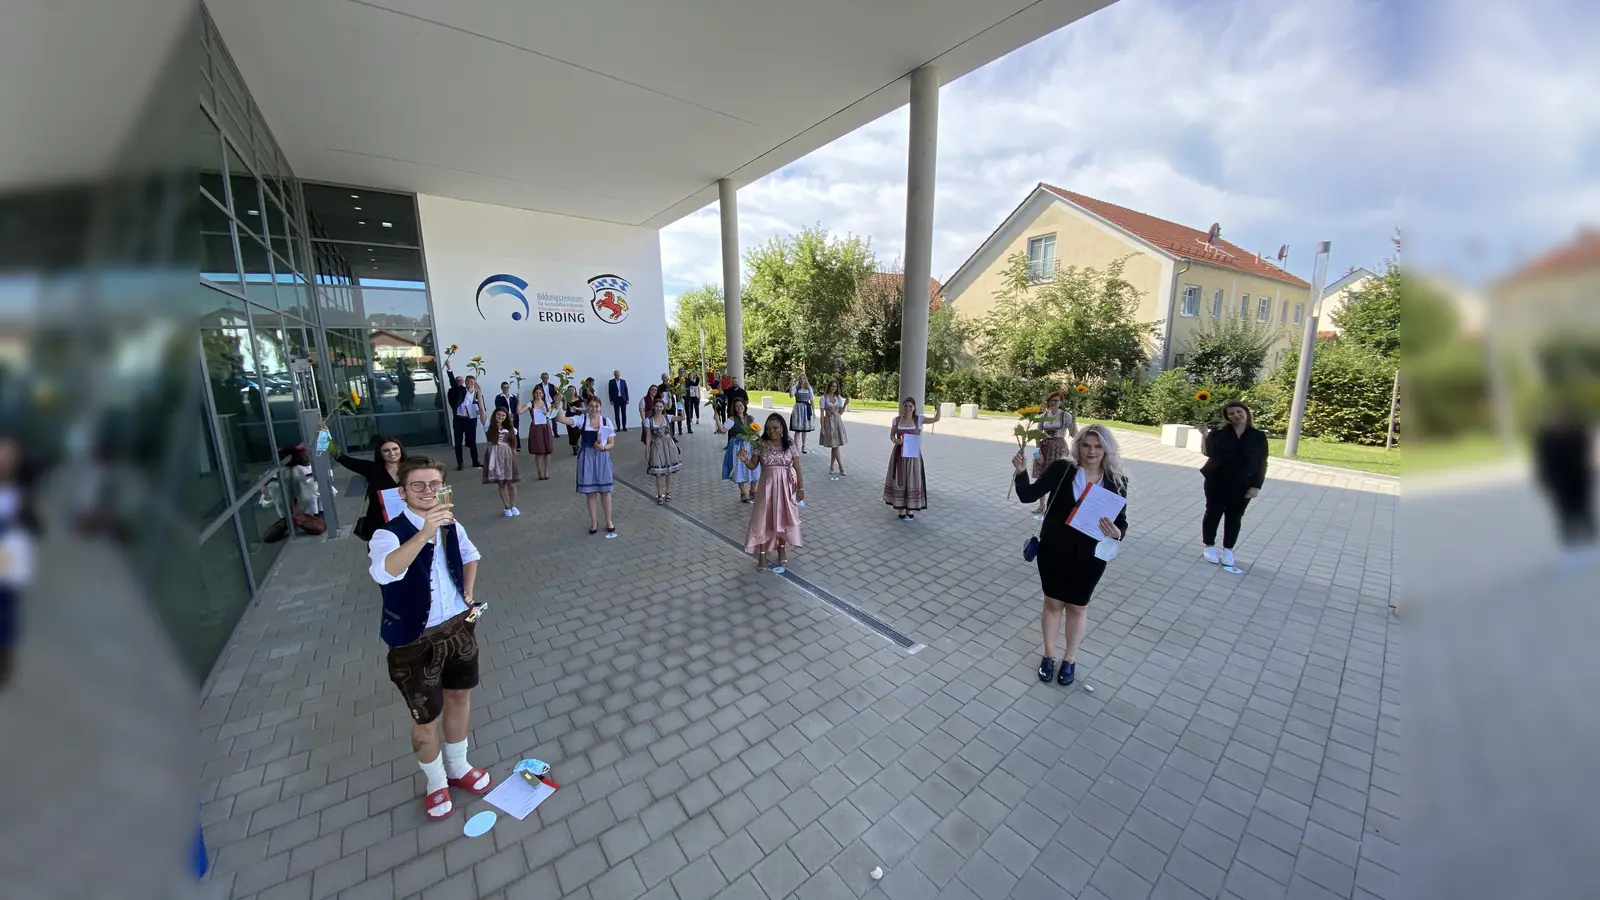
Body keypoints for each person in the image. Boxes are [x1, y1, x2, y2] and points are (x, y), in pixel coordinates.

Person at [366, 456, 492, 822]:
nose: (427, 492)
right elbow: (384, 572)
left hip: (457, 629)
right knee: (424, 717)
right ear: (402, 491)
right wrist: (423, 534)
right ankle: (435, 783)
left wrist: (467, 594)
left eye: (434, 484)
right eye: (418, 485)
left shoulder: (452, 525)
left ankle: (458, 766)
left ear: (443, 487)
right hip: (414, 642)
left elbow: (471, 555)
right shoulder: (388, 533)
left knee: (459, 698)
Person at [1011, 425, 1129, 686]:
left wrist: (1117, 532)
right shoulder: (1063, 469)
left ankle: (1070, 659)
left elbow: (1121, 521)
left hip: (1091, 555)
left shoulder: (1117, 481)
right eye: (1086, 445)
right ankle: (1049, 655)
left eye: (1098, 446)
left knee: (1078, 606)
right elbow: (1027, 494)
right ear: (1078, 446)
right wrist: (1020, 471)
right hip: (1055, 549)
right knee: (1052, 603)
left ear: (1107, 449)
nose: (1092, 451)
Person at [1196, 400, 1268, 568]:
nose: (1236, 415)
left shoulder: (1258, 436)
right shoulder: (1220, 432)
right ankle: (1209, 546)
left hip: (1243, 485)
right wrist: (1205, 435)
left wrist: (1256, 486)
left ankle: (1228, 550)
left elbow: (1262, 463)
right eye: (1231, 413)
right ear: (1227, 417)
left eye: (1239, 412)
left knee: (1235, 517)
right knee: (1213, 513)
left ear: (1246, 412)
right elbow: (1209, 453)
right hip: (1217, 481)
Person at [739, 413, 805, 571]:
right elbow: (754, 466)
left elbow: (797, 467)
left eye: (775, 428)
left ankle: (781, 549)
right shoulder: (760, 444)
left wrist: (801, 487)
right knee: (762, 520)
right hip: (766, 489)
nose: (771, 431)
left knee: (782, 518)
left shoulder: (790, 444)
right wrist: (745, 460)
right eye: (768, 429)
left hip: (786, 488)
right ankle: (762, 554)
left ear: (782, 427)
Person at [1534, 402, 1595, 565]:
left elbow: (1584, 456)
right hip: (1558, 481)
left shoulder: (1579, 433)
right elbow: (1542, 461)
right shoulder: (1546, 437)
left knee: (1584, 512)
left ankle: (1589, 544)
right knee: (1564, 515)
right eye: (1558, 416)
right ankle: (1570, 548)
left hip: (1579, 479)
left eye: (1565, 416)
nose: (1562, 419)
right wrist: (1544, 482)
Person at [554, 395, 617, 534]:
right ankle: (593, 522)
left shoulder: (606, 421)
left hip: (602, 457)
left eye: (597, 406)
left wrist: (604, 448)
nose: (594, 409)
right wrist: (558, 404)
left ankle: (609, 520)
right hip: (587, 457)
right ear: (587, 407)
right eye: (591, 406)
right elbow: (561, 419)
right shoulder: (582, 419)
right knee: (590, 492)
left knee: (605, 491)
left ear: (600, 407)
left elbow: (612, 443)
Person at [335, 436, 406, 540]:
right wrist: (326, 439)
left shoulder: (411, 467)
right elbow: (343, 458)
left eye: (395, 449)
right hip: (379, 521)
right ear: (380, 453)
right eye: (386, 450)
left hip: (406, 517)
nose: (392, 453)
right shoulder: (372, 469)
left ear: (401, 449)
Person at [884, 396, 941, 519]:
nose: (908, 408)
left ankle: (910, 509)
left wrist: (939, 407)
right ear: (902, 407)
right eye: (906, 406)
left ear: (914, 408)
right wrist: (895, 440)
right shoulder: (896, 420)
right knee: (900, 479)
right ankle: (900, 508)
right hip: (899, 454)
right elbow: (891, 435)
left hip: (913, 454)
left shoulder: (919, 419)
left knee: (912, 478)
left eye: (910, 406)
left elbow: (936, 419)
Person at [1031, 392, 1077, 515]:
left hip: (1059, 448)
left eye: (1056, 401)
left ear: (1060, 402)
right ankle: (1041, 505)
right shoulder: (1043, 416)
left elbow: (1074, 434)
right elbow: (1037, 435)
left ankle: (1052, 506)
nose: (1053, 403)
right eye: (1051, 400)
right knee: (1042, 476)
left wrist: (1074, 422)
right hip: (1044, 446)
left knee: (1057, 477)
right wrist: (1037, 452)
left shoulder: (1065, 415)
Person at [481, 407, 522, 517]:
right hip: (494, 456)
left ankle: (513, 505)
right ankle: (506, 506)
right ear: (495, 415)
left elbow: (513, 444)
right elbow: (482, 410)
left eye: (503, 416)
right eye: (498, 415)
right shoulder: (488, 427)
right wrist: (479, 395)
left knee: (511, 483)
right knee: (501, 484)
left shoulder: (510, 428)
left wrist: (514, 456)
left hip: (507, 457)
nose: (501, 417)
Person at [644, 397, 683, 503]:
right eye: (657, 406)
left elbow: (681, 418)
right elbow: (648, 436)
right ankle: (660, 493)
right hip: (656, 446)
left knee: (668, 470)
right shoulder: (649, 420)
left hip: (668, 445)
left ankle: (668, 491)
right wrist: (647, 449)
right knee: (659, 472)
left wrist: (681, 406)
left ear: (663, 407)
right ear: (654, 407)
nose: (659, 408)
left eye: (661, 406)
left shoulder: (667, 417)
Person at [722, 398, 762, 502]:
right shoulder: (732, 419)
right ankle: (743, 492)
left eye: (741, 405)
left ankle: (753, 491)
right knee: (739, 469)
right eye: (737, 406)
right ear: (734, 408)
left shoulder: (751, 418)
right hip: (738, 447)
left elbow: (757, 431)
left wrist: (758, 440)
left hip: (751, 446)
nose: (740, 408)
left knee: (755, 468)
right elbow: (722, 430)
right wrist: (717, 419)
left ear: (744, 406)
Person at [445, 369, 483, 470]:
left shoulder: (476, 393)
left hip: (471, 420)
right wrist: (449, 369)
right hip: (459, 420)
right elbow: (453, 381)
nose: (470, 383)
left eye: (472, 382)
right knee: (458, 442)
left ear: (474, 383)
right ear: (465, 382)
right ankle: (460, 463)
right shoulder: (460, 390)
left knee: (472, 442)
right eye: (468, 381)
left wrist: (480, 412)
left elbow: (481, 405)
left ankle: (475, 461)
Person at [819, 379, 850, 476]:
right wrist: (822, 427)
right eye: (832, 386)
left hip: (837, 421)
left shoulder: (838, 398)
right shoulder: (823, 398)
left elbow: (840, 413)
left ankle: (832, 466)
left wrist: (845, 404)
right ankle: (840, 466)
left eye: (835, 387)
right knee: (835, 445)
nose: (834, 388)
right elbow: (821, 414)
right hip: (828, 422)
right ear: (829, 386)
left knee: (835, 445)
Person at [525, 387, 555, 480]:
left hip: (545, 427)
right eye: (537, 393)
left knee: (547, 450)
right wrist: (518, 401)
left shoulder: (547, 403)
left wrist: (551, 410)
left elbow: (552, 415)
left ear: (543, 394)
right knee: (539, 451)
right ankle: (540, 471)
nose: (538, 395)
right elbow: (519, 411)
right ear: (534, 394)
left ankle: (546, 471)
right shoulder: (530, 403)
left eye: (540, 393)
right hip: (536, 428)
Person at [789, 373, 816, 454]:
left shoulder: (809, 388)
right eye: (800, 378)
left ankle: (803, 447)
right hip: (798, 409)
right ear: (798, 380)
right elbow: (791, 395)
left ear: (806, 379)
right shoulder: (796, 388)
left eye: (803, 378)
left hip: (806, 408)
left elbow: (812, 400)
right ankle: (796, 447)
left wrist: (814, 412)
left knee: (805, 429)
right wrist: (791, 387)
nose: (802, 380)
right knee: (798, 430)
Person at [534, 373, 561, 437]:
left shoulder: (552, 386)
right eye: (543, 377)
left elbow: (555, 394)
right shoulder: (538, 386)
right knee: (544, 419)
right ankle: (544, 433)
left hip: (551, 403)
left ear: (548, 378)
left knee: (553, 418)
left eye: (546, 377)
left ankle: (555, 433)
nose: (545, 378)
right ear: (541, 378)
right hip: (543, 404)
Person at [564, 386, 583, 455]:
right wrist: (565, 401)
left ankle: (578, 446)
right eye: (569, 390)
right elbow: (564, 408)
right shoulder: (567, 399)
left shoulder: (579, 398)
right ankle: (574, 448)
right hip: (569, 417)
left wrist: (577, 408)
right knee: (571, 433)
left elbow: (583, 408)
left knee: (578, 432)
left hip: (578, 416)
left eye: (572, 390)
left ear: (575, 390)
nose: (571, 391)